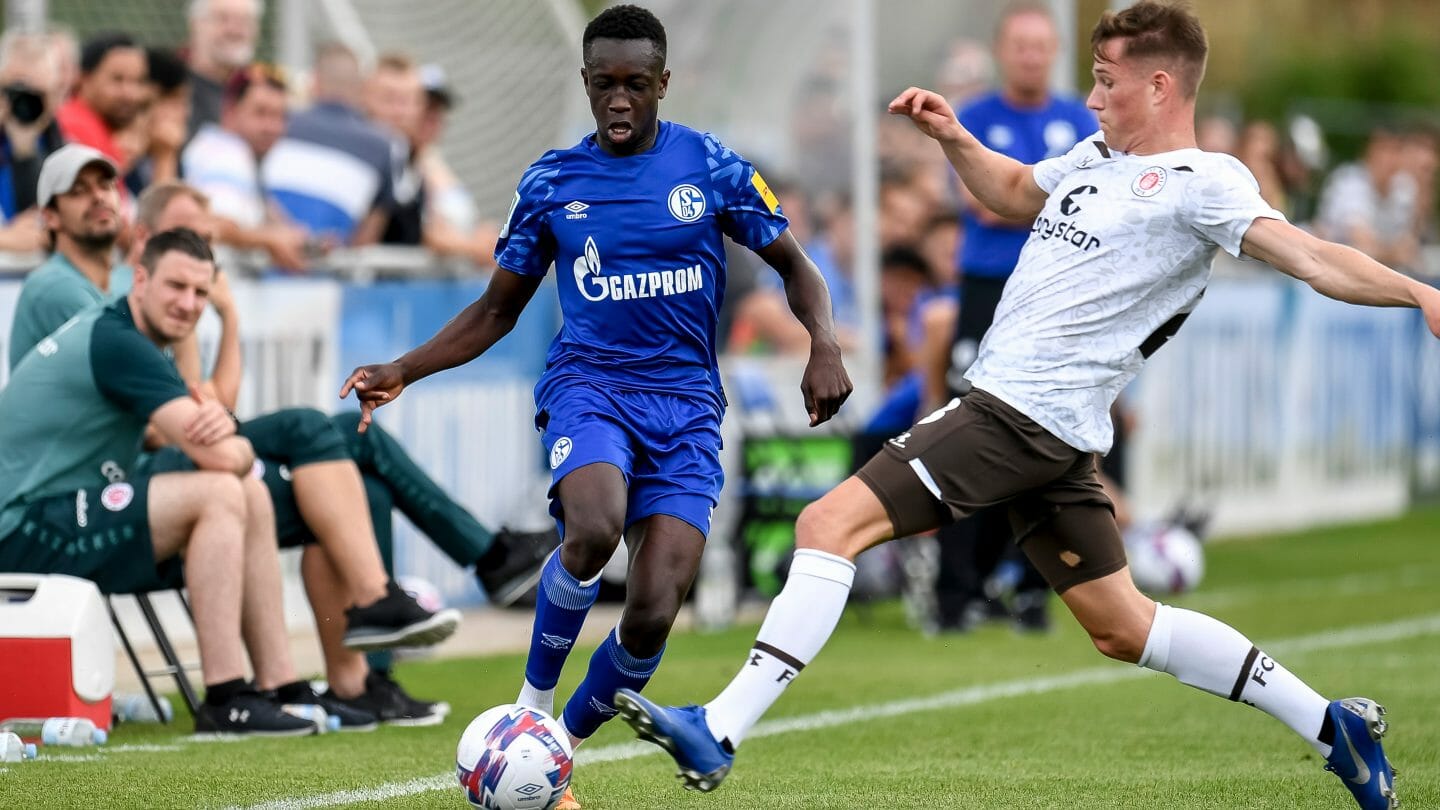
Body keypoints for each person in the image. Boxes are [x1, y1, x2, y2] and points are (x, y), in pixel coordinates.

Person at [615, 4, 1439, 809]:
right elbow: (1010, 192)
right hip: (1051, 429)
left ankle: (718, 728)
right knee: (1124, 626)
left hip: (1018, 414)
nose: (1090, 98)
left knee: (827, 526)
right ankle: (1334, 729)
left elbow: (1312, 257)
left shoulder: (1204, 183)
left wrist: (1415, 291)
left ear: (1159, 86)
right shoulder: (1091, 154)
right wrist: (953, 137)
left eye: (1107, 81)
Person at [341, 6, 851, 806]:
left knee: (653, 609)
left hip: (685, 406)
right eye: (604, 84)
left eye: (636, 85)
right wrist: (406, 368)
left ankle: (557, 751)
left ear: (663, 85)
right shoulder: (552, 182)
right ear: (585, 83)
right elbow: (496, 309)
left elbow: (797, 266)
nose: (620, 101)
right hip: (591, 387)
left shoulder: (712, 166)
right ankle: (531, 706)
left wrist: (822, 342)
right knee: (593, 525)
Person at [119, 181, 556, 724]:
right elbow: (187, 426)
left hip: (190, 456)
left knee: (360, 479)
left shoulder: (180, 300)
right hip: (147, 485)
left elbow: (210, 406)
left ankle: (365, 681)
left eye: (207, 241)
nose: (201, 254)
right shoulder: (131, 309)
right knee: (324, 430)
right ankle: (480, 562)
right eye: (185, 237)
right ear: (143, 249)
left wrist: (224, 318)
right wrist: (223, 321)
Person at [0, 227, 320, 735]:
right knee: (221, 492)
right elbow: (219, 454)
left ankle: (280, 686)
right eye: (177, 287)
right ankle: (225, 697)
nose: (189, 304)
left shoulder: (129, 334)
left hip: (57, 507)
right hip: (19, 529)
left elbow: (171, 437)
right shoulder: (120, 342)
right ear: (141, 278)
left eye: (200, 292)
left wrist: (220, 435)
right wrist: (230, 435)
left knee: (251, 492)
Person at [933, 0, 1098, 634]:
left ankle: (1033, 589)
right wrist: (1044, 205)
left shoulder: (1081, 123)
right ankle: (957, 593)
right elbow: (983, 206)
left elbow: (1079, 208)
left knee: (1052, 437)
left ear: (1054, 51)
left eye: (1039, 45)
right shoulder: (971, 120)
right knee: (961, 432)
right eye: (1018, 45)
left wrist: (1020, 202)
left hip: (1057, 297)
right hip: (987, 289)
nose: (1030, 55)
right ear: (1003, 51)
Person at [262, 42, 400, 248]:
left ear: (315, 81)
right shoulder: (385, 146)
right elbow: (367, 236)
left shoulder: (279, 123)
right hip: (330, 271)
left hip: (262, 262)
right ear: (361, 88)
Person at [182, 62, 311, 270]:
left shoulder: (227, 151)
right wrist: (269, 239)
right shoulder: (227, 154)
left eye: (280, 116)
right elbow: (213, 227)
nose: (272, 127)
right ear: (230, 112)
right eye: (261, 113)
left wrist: (294, 238)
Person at [8, 145, 125, 371]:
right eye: (78, 191)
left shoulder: (120, 280)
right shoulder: (55, 286)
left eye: (105, 185)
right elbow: (136, 374)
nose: (99, 197)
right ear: (50, 217)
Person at [0, 31, 65, 253]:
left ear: (56, 95)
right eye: (16, 91)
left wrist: (25, 150)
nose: (24, 105)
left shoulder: (62, 149)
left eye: (37, 95)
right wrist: (5, 239)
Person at [56, 33, 148, 172]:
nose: (130, 94)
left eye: (138, 81)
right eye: (117, 79)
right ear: (85, 79)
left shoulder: (100, 129)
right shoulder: (78, 128)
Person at [184, 0, 262, 137]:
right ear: (195, 24)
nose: (234, 30)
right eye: (222, 19)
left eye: (244, 21)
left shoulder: (261, 90)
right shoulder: (173, 88)